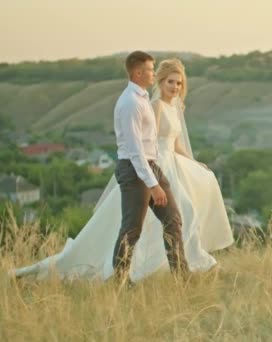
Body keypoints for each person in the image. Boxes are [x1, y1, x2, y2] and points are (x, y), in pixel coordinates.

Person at [11, 53, 233, 283]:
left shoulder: (145, 100)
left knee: (175, 219)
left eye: (178, 82)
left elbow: (165, 145)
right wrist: (154, 184)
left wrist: (192, 165)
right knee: (132, 229)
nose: (154, 74)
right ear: (139, 73)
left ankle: (182, 275)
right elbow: (138, 151)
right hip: (140, 169)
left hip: (154, 165)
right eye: (151, 70)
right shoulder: (131, 103)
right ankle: (119, 279)